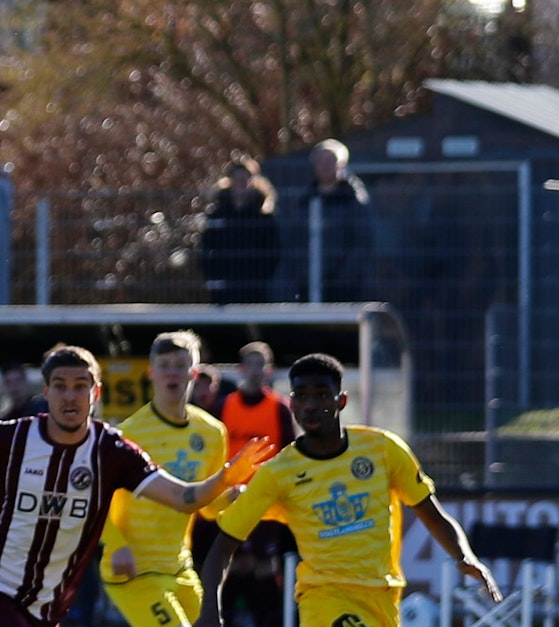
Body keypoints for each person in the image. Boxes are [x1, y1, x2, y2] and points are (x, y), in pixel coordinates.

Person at [0, 345, 273, 627]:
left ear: (96, 393)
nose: (70, 396)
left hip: (47, 605)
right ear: (47, 392)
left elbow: (182, 497)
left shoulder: (112, 451)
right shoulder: (6, 441)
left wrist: (223, 478)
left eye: (80, 386)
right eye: (60, 386)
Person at [197, 353, 501, 627]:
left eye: (321, 395)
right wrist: (209, 607)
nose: (311, 405)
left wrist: (464, 556)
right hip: (325, 598)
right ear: (292, 403)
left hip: (383, 597)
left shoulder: (382, 449)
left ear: (341, 401)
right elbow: (222, 546)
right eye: (302, 396)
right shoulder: (279, 473)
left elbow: (431, 511)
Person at [98, 331, 228, 627]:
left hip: (179, 567)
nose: (172, 373)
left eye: (180, 365)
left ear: (193, 373)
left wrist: (234, 494)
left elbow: (208, 507)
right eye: (165, 365)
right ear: (151, 373)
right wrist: (116, 544)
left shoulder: (211, 432)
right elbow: (97, 498)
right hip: (134, 570)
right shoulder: (128, 434)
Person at [190, 341, 295, 627]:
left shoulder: (280, 409)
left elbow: (290, 456)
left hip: (265, 503)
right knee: (233, 566)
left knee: (264, 568)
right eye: (250, 364)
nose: (255, 370)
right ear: (240, 369)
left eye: (261, 364)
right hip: (231, 500)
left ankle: (270, 620)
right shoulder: (226, 406)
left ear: (270, 370)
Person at [275, 139, 373, 303]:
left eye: (331, 160)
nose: (325, 165)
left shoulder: (353, 201)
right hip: (308, 285)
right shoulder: (304, 202)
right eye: (321, 161)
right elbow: (293, 241)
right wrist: (302, 274)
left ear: (341, 165)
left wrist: (344, 277)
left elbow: (362, 243)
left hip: (345, 288)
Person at [199, 158, 279, 305]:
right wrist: (214, 279)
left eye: (245, 178)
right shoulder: (217, 215)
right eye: (237, 178)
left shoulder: (263, 218)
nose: (241, 183)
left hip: (255, 289)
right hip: (223, 290)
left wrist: (260, 277)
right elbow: (206, 251)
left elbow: (273, 252)